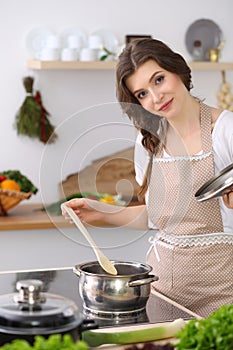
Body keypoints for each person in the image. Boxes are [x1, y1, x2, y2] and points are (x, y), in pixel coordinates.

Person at [62, 38, 233, 317]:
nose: (155, 98)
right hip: (162, 293)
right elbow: (157, 218)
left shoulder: (226, 130)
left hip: (223, 295)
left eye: (159, 80)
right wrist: (100, 211)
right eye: (141, 94)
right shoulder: (149, 141)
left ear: (178, 71)